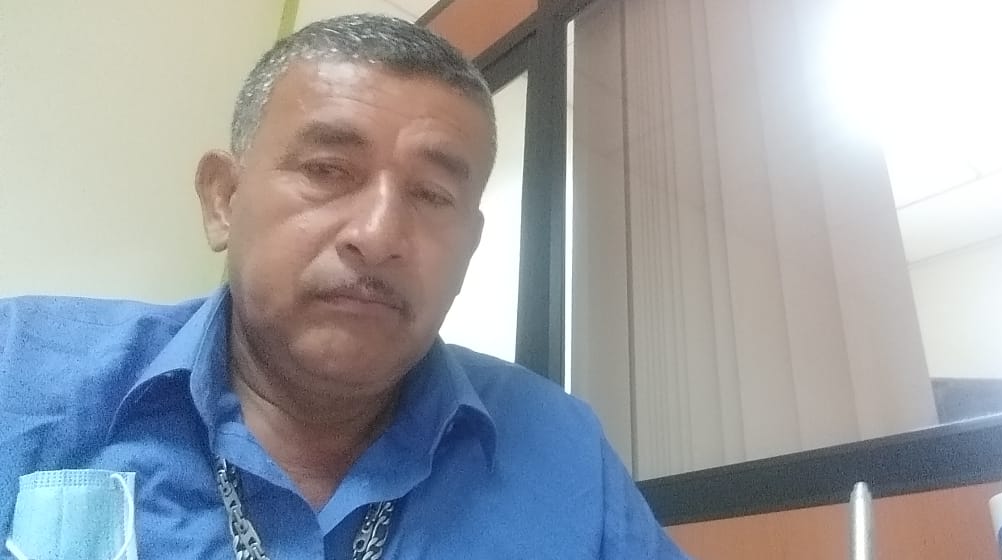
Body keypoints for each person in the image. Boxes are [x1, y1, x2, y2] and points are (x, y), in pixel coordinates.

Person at [0, 14, 689, 560]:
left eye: (432, 194)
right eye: (327, 170)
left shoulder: (564, 450)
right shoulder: (20, 366)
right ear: (223, 200)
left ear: (470, 246)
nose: (380, 234)